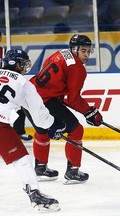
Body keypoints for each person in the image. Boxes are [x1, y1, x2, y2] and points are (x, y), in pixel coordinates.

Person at [27, 34, 103, 184]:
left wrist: (57, 94)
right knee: (76, 129)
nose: (87, 55)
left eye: (88, 51)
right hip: (44, 101)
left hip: (29, 96)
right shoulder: (78, 68)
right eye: (83, 51)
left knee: (42, 131)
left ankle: (40, 169)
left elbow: (48, 73)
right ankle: (73, 171)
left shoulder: (61, 53)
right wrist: (90, 112)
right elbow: (73, 99)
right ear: (74, 50)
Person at [0, 49, 65, 212]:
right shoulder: (24, 84)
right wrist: (54, 124)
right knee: (21, 159)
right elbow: (39, 117)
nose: (24, 68)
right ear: (17, 65)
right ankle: (34, 194)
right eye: (23, 64)